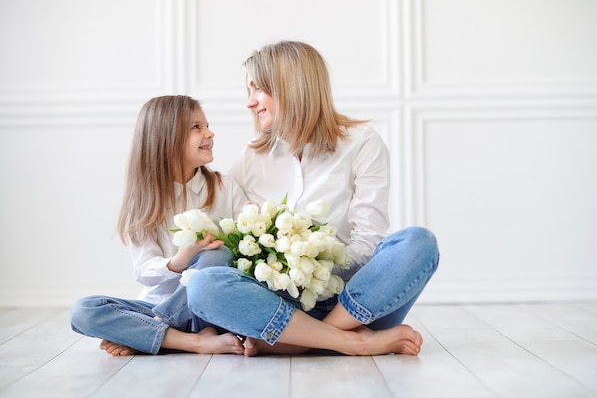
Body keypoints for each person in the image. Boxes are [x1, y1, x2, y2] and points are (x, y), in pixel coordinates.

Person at [185, 41, 439, 356]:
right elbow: (222, 232)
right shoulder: (252, 156)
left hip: (353, 300)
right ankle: (352, 342)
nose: (251, 103)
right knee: (202, 285)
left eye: (258, 90)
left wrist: (314, 271)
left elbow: (369, 242)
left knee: (417, 242)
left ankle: (303, 340)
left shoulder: (362, 143)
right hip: (279, 300)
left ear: (290, 88)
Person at [70, 95, 247, 356]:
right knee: (83, 311)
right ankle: (191, 341)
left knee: (217, 255)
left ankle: (150, 332)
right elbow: (143, 270)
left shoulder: (225, 187)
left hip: (207, 309)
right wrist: (179, 261)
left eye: (206, 125)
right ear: (166, 142)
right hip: (158, 303)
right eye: (196, 127)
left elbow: (243, 249)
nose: (210, 133)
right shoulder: (143, 201)